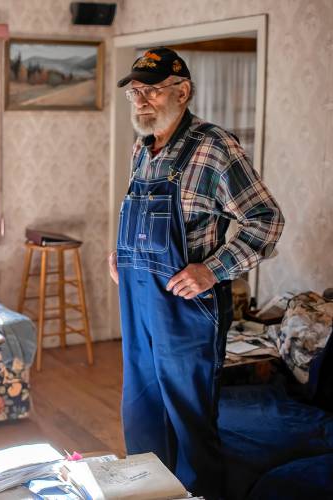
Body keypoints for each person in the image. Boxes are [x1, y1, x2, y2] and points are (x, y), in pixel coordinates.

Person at [109, 47, 284, 498]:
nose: (142, 99)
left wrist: (213, 269)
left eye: (152, 90)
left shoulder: (214, 147)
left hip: (187, 311)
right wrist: (121, 255)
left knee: (189, 420)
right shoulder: (142, 150)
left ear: (182, 91)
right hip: (138, 303)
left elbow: (266, 219)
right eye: (135, 92)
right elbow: (142, 221)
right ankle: (148, 494)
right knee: (142, 411)